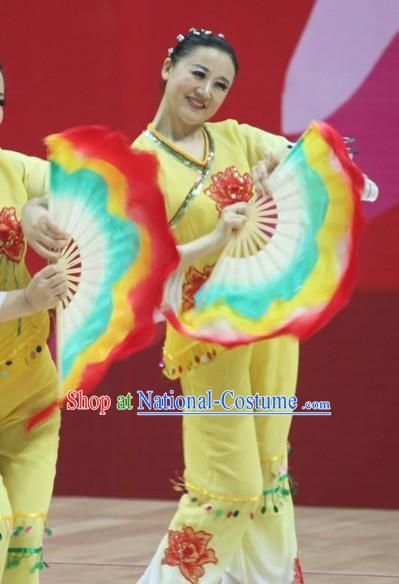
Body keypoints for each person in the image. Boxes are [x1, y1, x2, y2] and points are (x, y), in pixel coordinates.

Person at [133, 29, 305, 584]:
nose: (207, 91)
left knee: (268, 470)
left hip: (270, 324)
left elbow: (311, 160)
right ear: (167, 68)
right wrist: (213, 241)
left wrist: (277, 178)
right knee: (228, 483)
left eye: (221, 84)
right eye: (198, 74)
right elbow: (145, 266)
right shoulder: (138, 162)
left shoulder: (234, 137)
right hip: (208, 337)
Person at [0, 63, 68, 582]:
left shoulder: (14, 170)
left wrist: (37, 207)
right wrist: (26, 301)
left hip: (31, 395)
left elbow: (88, 185)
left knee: (26, 538)